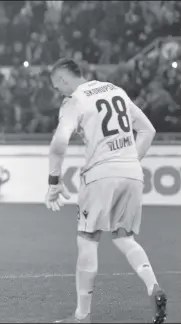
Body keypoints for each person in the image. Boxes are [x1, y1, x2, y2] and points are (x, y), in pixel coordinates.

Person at [44, 58, 166, 324]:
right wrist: (130, 162)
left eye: (57, 87)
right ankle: (152, 285)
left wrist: (54, 181)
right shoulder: (115, 90)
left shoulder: (74, 100)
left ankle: (82, 316)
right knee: (125, 237)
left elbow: (59, 143)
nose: (59, 93)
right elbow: (148, 130)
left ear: (65, 79)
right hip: (132, 173)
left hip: (100, 175)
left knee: (87, 240)